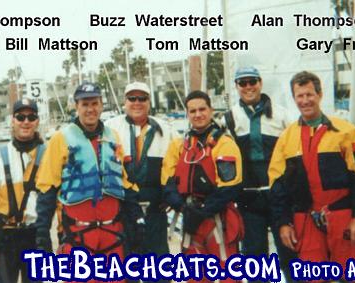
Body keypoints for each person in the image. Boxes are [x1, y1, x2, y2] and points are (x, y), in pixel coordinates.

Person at [269, 71, 355, 281]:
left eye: (309, 94)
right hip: (305, 220)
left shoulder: (346, 132)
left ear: (319, 95)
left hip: (342, 216)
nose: (305, 100)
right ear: (294, 98)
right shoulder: (286, 138)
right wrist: (282, 223)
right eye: (300, 96)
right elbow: (277, 185)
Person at [34, 82, 142, 283]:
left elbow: (124, 184)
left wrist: (137, 221)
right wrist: (42, 236)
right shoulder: (60, 139)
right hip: (78, 237)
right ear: (76, 107)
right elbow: (47, 190)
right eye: (85, 104)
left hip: (113, 236)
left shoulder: (113, 137)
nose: (90, 109)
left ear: (102, 105)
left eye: (95, 103)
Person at [222, 66, 296, 282]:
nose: (248, 87)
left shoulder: (283, 116)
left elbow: (294, 156)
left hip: (279, 197)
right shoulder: (228, 119)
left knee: (290, 254)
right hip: (248, 199)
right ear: (236, 86)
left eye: (252, 81)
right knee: (255, 261)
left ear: (260, 83)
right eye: (242, 83)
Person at [161, 90, 244, 283]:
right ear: (187, 114)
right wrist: (183, 209)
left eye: (202, 109)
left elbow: (230, 187)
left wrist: (202, 212)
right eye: (193, 111)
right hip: (191, 220)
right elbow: (168, 182)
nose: (198, 114)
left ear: (211, 110)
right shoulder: (179, 146)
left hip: (219, 221)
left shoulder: (224, 144)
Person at [105, 82, 177, 263]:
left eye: (142, 98)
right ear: (124, 102)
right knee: (128, 268)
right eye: (132, 98)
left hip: (155, 211)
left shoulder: (166, 129)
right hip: (124, 211)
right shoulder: (110, 127)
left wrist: (172, 194)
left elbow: (179, 160)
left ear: (149, 102)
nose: (137, 103)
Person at [0, 98, 45, 283]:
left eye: (31, 117)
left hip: (36, 237)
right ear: (12, 121)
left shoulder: (48, 157)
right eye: (20, 117)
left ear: (37, 121)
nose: (26, 122)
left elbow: (62, 200)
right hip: (6, 238)